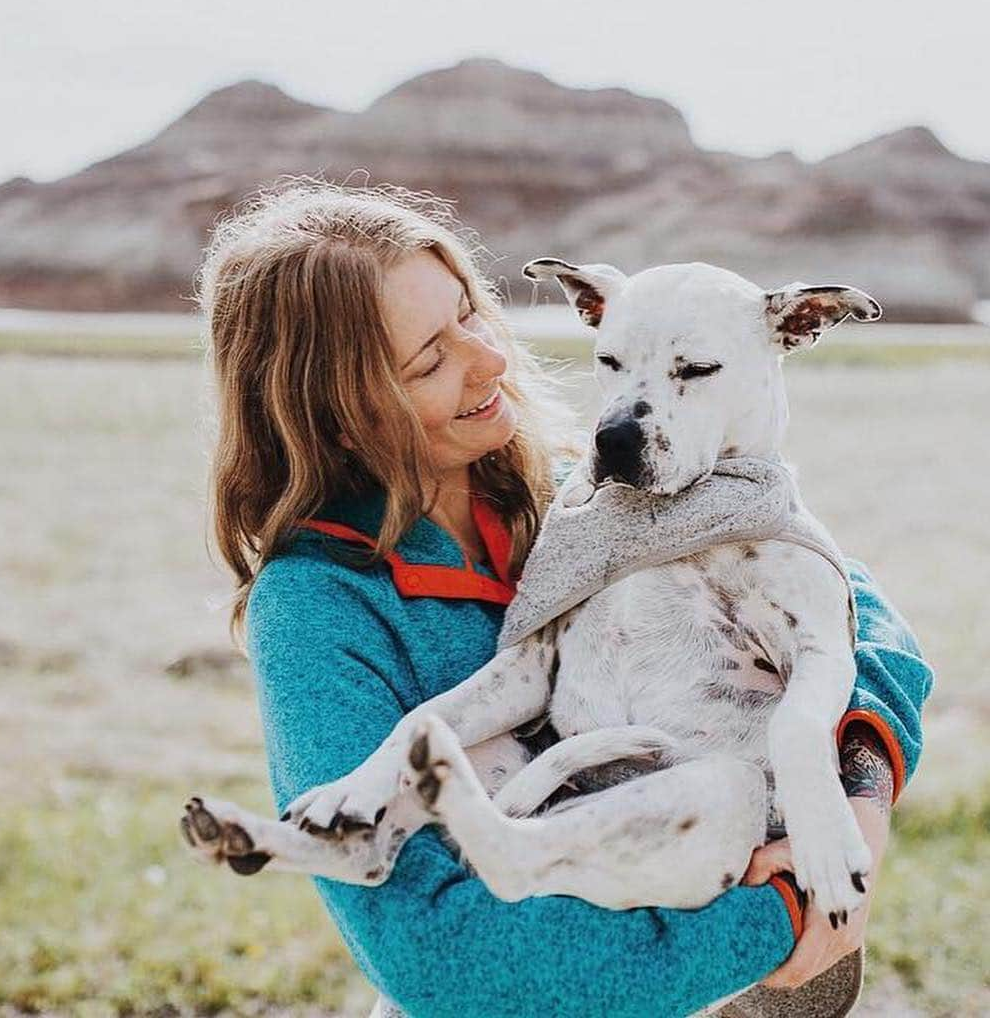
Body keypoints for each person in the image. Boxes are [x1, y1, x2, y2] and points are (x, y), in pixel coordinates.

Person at [193, 177, 932, 1018]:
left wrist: (855, 793)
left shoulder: (595, 491)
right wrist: (781, 916)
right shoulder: (319, 603)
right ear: (337, 411)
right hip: (586, 965)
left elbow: (860, 614)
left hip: (697, 895)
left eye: (471, 312)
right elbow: (445, 964)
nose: (492, 359)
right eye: (432, 356)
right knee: (448, 759)